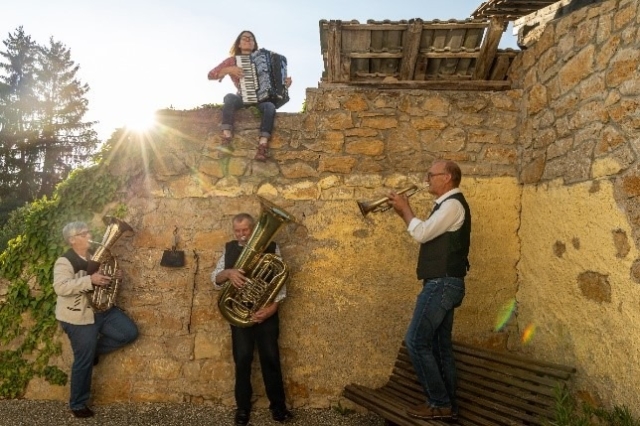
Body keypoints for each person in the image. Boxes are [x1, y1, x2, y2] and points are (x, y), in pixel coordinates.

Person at [387, 160, 471, 421]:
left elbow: (422, 233)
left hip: (442, 283)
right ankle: (448, 405)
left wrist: (407, 209)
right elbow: (424, 232)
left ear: (446, 178)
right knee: (438, 345)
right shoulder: (447, 206)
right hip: (443, 283)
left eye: (431, 175)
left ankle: (439, 401)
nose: (427, 178)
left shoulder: (453, 205)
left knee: (416, 341)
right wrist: (404, 214)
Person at [211, 213, 293, 426]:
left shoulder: (272, 247)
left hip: (266, 314)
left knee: (271, 359)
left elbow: (280, 280)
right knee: (243, 359)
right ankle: (243, 409)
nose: (241, 235)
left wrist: (272, 308)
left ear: (253, 229)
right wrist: (228, 273)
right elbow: (214, 278)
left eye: (245, 230)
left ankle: (278, 407)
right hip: (240, 316)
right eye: (237, 231)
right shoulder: (229, 248)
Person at [53, 221, 138, 418]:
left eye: (88, 231)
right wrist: (89, 280)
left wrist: (113, 276)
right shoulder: (65, 261)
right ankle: (77, 404)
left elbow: (102, 280)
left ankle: (93, 351)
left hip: (101, 311)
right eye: (84, 233)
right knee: (83, 361)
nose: (89, 235)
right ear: (72, 240)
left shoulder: (95, 256)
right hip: (78, 316)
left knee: (129, 333)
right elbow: (61, 287)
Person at [207, 30, 292, 162]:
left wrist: (284, 83)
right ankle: (226, 138)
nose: (248, 40)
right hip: (242, 97)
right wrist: (229, 70)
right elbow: (211, 75)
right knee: (229, 98)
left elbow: (276, 83)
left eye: (251, 39)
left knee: (269, 106)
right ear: (239, 44)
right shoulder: (232, 60)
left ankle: (262, 146)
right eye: (244, 38)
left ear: (254, 44)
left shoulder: (264, 60)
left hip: (262, 99)